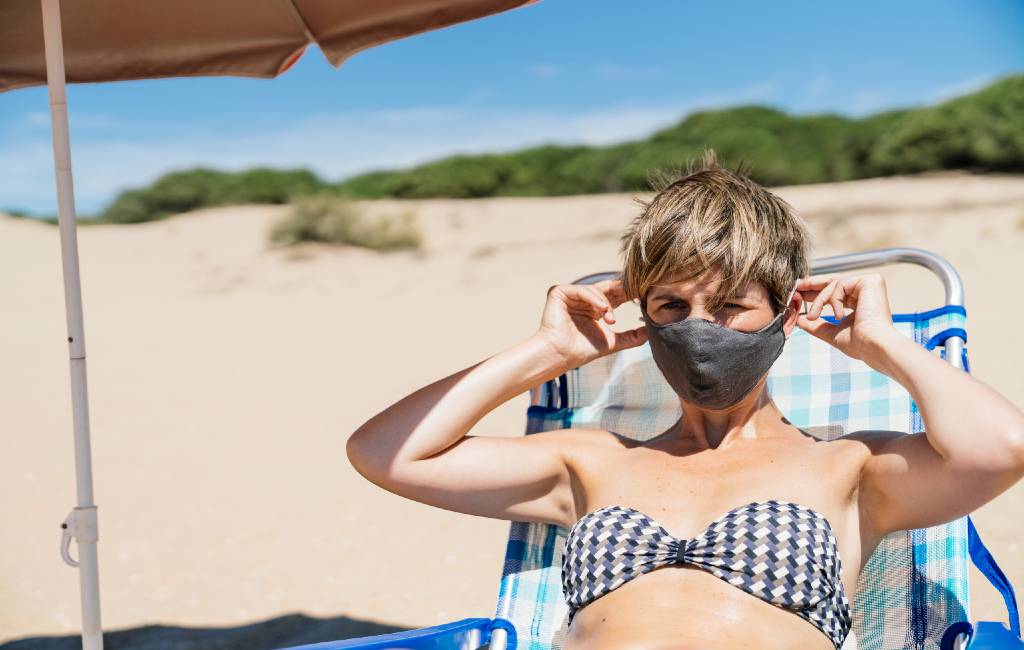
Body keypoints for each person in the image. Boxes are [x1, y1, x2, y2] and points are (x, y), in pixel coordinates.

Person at [345, 149, 1024, 650]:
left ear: (788, 314)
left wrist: (883, 346)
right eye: (673, 304)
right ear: (646, 317)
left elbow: (1002, 449)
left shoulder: (851, 470)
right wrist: (546, 352)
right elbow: (385, 454)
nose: (701, 329)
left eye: (731, 305)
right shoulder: (591, 460)